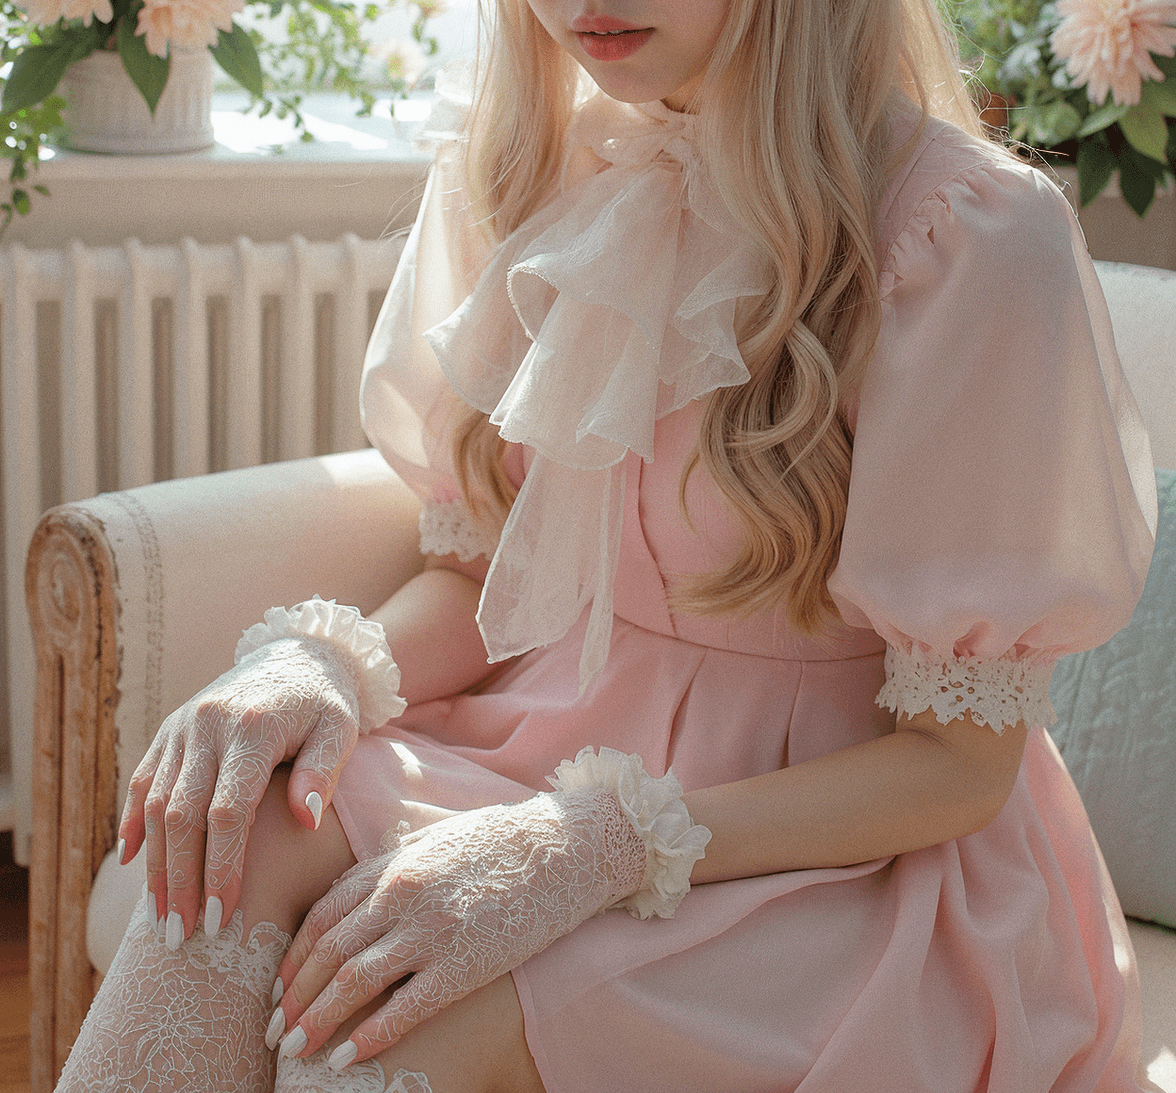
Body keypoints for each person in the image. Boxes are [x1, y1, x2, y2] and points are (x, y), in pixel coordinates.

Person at [55, 0, 1161, 1090]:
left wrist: (584, 848)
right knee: (223, 844)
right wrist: (326, 663)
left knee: (381, 1045)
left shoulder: (964, 237)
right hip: (553, 742)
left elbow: (958, 765)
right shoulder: (536, 167)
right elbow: (486, 570)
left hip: (853, 864)